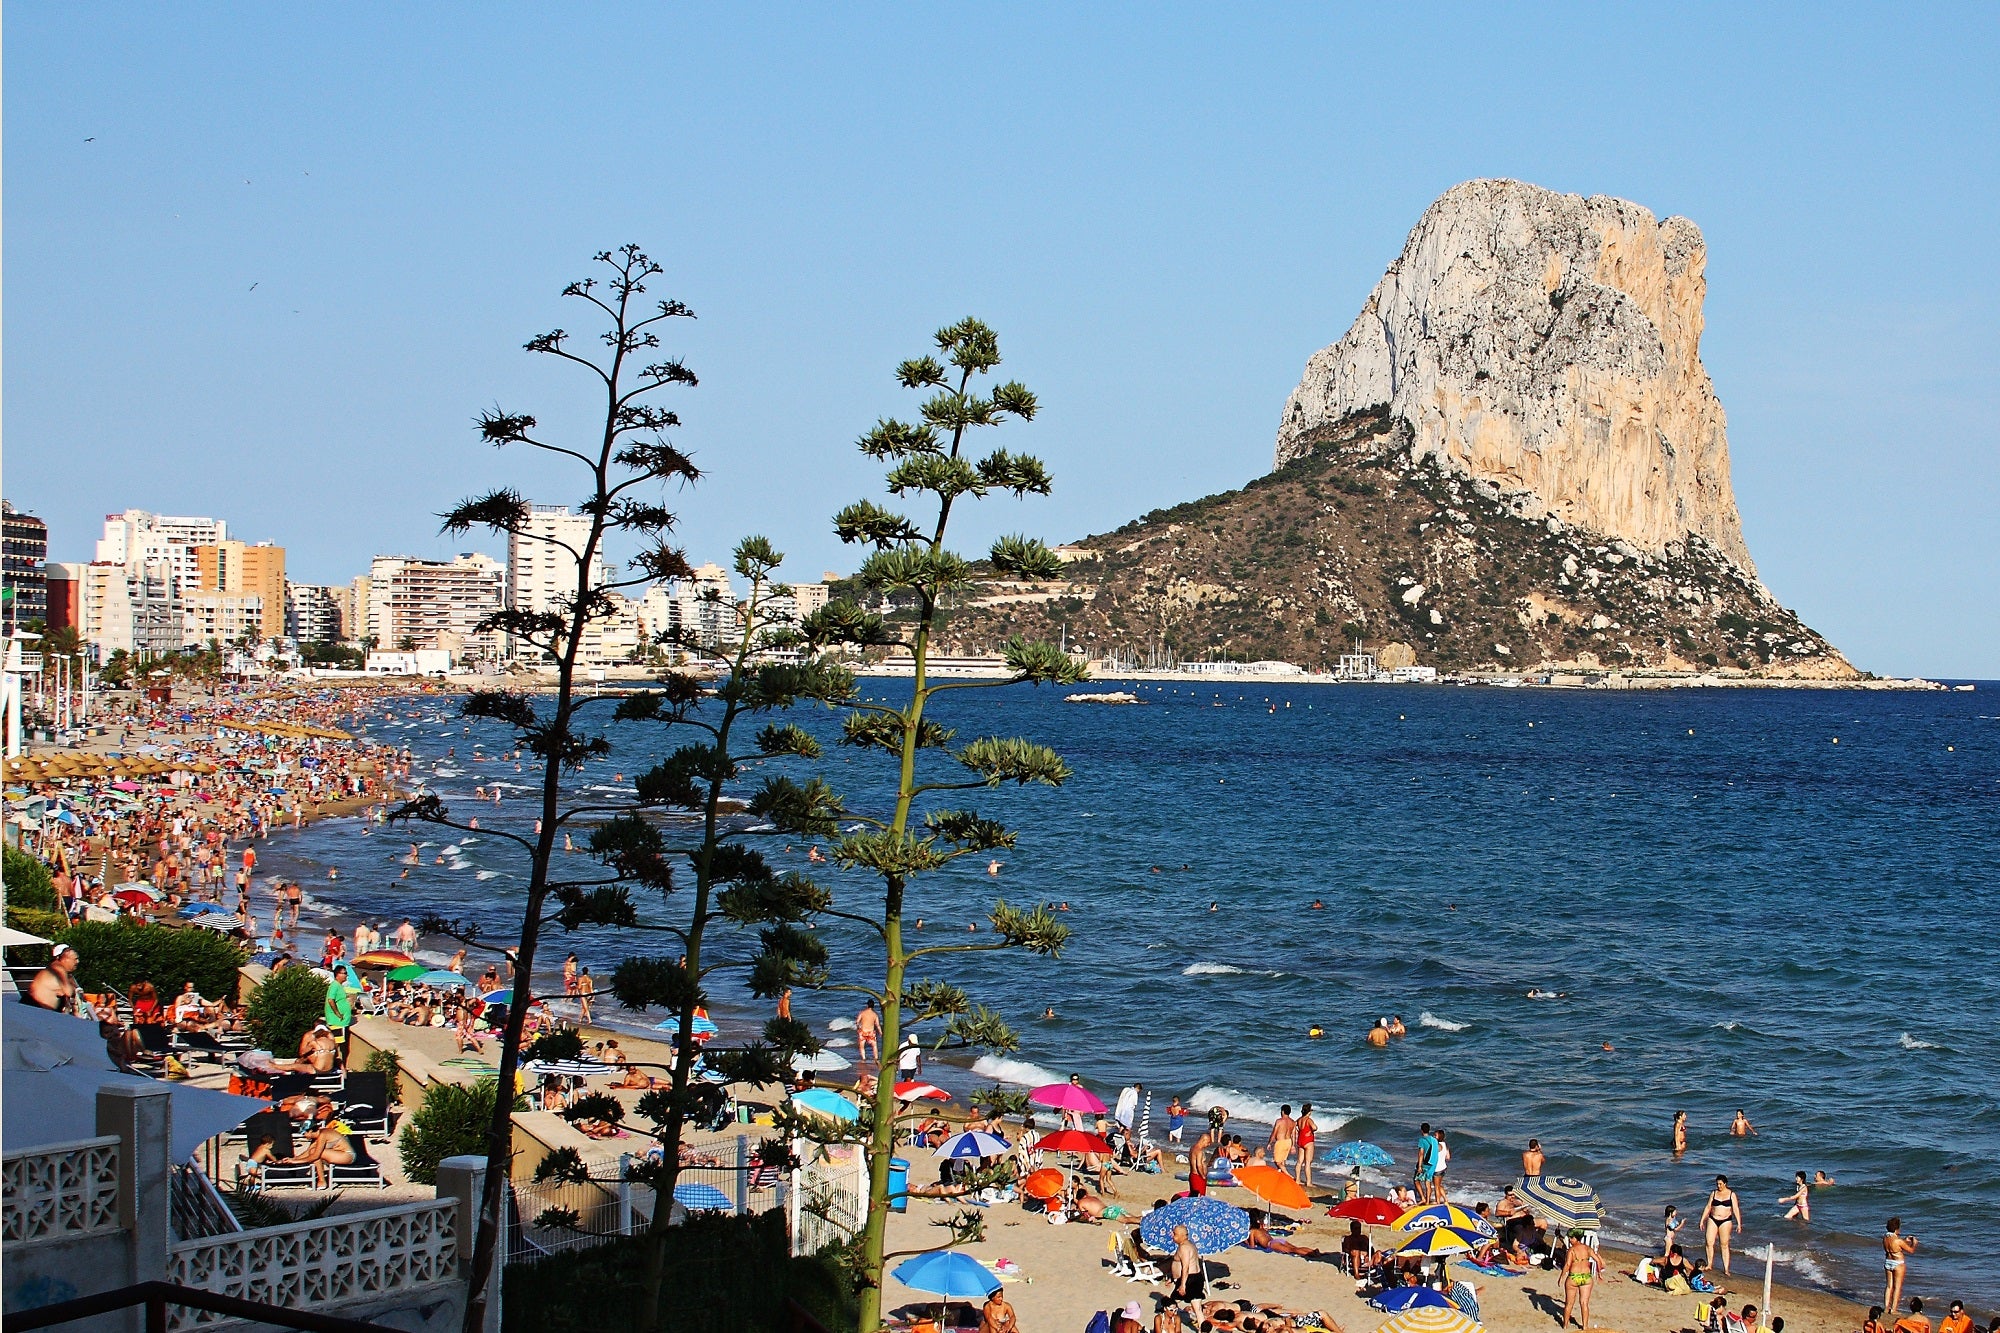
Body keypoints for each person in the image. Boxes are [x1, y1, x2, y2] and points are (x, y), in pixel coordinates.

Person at [1702, 1174, 1743, 1276]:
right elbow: (1708, 1207)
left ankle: (1726, 1269)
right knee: (1709, 1242)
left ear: (1725, 1184)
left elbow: (1736, 1209)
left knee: (1724, 1245)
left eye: (1720, 1184)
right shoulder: (1714, 1193)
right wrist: (1702, 1220)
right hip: (1713, 1219)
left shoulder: (1731, 1194)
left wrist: (1739, 1224)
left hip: (1725, 1221)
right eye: (1717, 1184)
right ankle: (1709, 1264)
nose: (1719, 1186)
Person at [24, 943, 81, 1013]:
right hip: (33, 1008)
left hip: (37, 1009)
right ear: (65, 959)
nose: (77, 962)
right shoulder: (58, 969)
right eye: (75, 959)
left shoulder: (60, 970)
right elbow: (69, 991)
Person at [1561, 1229, 1599, 1329]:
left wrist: (1562, 1276)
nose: (1569, 1240)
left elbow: (1568, 1264)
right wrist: (1599, 1274)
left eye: (1571, 1238)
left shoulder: (1572, 1250)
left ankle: (1565, 1325)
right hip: (1586, 1278)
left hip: (1574, 1277)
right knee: (1584, 1303)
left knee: (1569, 1303)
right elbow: (1598, 1260)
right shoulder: (1587, 1249)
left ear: (1576, 1238)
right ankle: (1585, 1326)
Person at [1245, 1209, 1320, 1256]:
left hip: (1271, 1244)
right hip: (1276, 1240)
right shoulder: (1261, 1226)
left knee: (1292, 1250)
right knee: (1295, 1248)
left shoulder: (1252, 1231)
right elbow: (1265, 1233)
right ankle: (1313, 1251)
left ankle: (1312, 1254)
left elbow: (1252, 1246)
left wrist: (1246, 1242)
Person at [1883, 1218, 1918, 1315]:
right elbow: (1911, 1250)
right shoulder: (1898, 1240)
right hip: (1898, 1263)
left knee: (1889, 1286)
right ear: (1896, 1228)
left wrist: (1904, 1241)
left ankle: (1886, 1307)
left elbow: (1894, 1245)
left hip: (1888, 1261)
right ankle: (1893, 1309)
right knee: (1897, 1287)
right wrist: (1914, 1244)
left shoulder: (1885, 1238)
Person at [1171, 1223, 1204, 1303]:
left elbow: (1185, 1267)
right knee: (1195, 1306)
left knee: (1172, 1303)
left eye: (1175, 1234)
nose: (1172, 1236)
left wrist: (1183, 1285)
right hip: (1194, 1277)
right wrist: (1172, 1278)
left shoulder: (1184, 1248)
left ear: (1182, 1236)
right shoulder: (1189, 1244)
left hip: (1189, 1279)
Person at [1292, 1103, 1316, 1186]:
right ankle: (1308, 1182)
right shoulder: (1308, 1120)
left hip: (1300, 1140)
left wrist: (1299, 1131)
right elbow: (1315, 1127)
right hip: (1308, 1141)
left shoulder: (1299, 1119)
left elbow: (1294, 1125)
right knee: (1308, 1162)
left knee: (1299, 1162)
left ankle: (1297, 1179)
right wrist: (1311, 1131)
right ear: (1309, 1112)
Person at [1270, 1104, 1296, 1173]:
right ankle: (1283, 1176)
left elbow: (1274, 1132)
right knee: (1283, 1161)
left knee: (1277, 1162)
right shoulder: (1293, 1122)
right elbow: (1294, 1135)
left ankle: (1288, 1175)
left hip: (1281, 1142)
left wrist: (1270, 1143)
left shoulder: (1279, 1121)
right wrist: (1293, 1145)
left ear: (1282, 1111)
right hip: (1288, 1142)